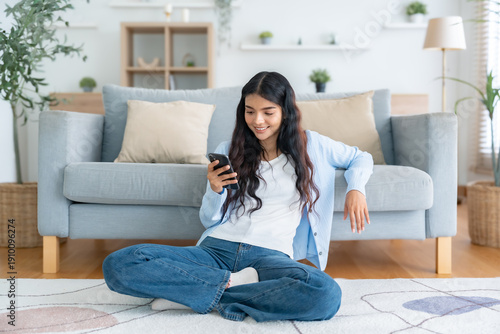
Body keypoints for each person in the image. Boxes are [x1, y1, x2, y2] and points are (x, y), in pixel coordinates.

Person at [102, 71, 373, 322]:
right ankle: (227, 287)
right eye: (250, 111)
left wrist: (356, 188)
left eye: (268, 112)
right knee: (120, 264)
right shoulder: (230, 150)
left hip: (269, 257)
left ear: (286, 112)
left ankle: (193, 294)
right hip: (216, 249)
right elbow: (210, 219)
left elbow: (361, 158)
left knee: (325, 293)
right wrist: (215, 189)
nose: (257, 121)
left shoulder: (313, 146)